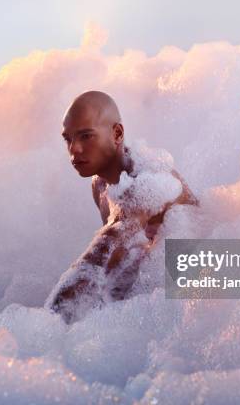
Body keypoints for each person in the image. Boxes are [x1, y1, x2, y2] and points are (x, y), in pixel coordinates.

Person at [44, 91, 198, 323]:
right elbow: (116, 264)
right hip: (174, 285)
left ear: (117, 134)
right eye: (68, 139)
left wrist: (45, 323)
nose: (74, 149)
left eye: (86, 136)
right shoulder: (100, 185)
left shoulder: (144, 181)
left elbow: (102, 253)